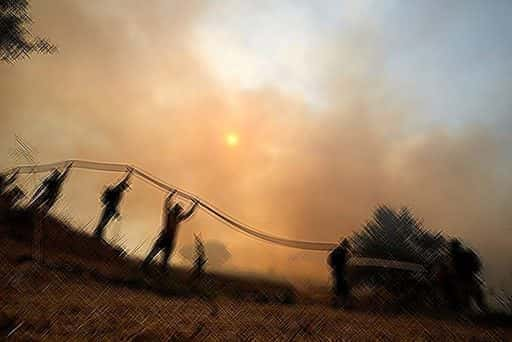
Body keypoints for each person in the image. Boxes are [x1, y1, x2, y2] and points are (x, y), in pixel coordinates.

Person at [142, 191, 199, 272]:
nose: (179, 211)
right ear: (175, 210)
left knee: (165, 258)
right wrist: (171, 195)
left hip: (170, 239)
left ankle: (161, 271)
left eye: (179, 210)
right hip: (164, 237)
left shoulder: (178, 218)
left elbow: (188, 214)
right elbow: (167, 205)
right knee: (153, 253)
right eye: (178, 210)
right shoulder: (170, 215)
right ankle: (144, 266)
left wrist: (194, 205)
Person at [448, 239, 488, 313]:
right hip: (469, 279)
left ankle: (474, 316)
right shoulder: (467, 253)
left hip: (464, 280)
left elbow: (452, 269)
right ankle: (485, 315)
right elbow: (477, 265)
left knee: (467, 301)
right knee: (478, 300)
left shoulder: (456, 255)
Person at [93, 171, 132, 239]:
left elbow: (122, 182)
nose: (125, 189)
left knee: (104, 222)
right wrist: (116, 213)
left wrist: (129, 175)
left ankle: (98, 234)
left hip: (110, 209)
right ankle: (98, 234)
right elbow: (114, 204)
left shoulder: (118, 191)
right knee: (104, 221)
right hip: (110, 209)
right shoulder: (117, 192)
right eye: (125, 187)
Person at [328, 238, 352, 308]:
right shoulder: (343, 252)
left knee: (337, 287)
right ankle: (343, 304)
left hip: (336, 271)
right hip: (340, 272)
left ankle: (336, 303)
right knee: (343, 288)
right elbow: (347, 260)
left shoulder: (335, 251)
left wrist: (333, 267)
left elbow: (329, 260)